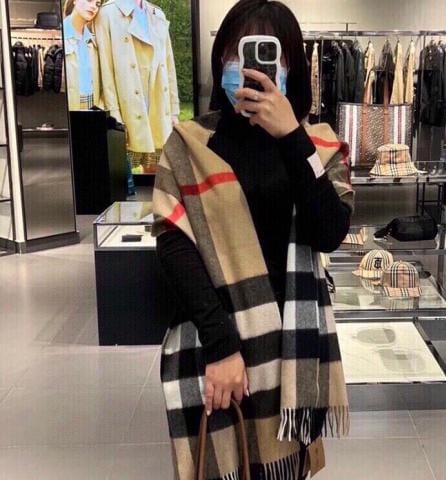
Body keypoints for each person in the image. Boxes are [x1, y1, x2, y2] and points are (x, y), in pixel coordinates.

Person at [153, 1, 352, 479]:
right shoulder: (189, 143)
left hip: (291, 349)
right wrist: (222, 347)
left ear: (291, 66)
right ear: (221, 59)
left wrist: (291, 137)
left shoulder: (318, 144)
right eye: (236, 52)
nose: (247, 67)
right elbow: (174, 246)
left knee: (284, 468)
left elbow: (330, 232)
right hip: (215, 340)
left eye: (269, 53)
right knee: (225, 463)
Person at [94, 0, 180, 174]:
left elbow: (168, 65)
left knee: (158, 173)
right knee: (121, 175)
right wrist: (114, 114)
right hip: (127, 106)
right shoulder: (107, 14)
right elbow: (106, 70)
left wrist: (173, 110)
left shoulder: (157, 14)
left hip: (157, 104)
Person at [63, 0, 102, 110]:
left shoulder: (94, 41)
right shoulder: (61, 36)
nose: (94, 7)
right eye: (89, 0)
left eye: (98, 4)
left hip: (93, 104)